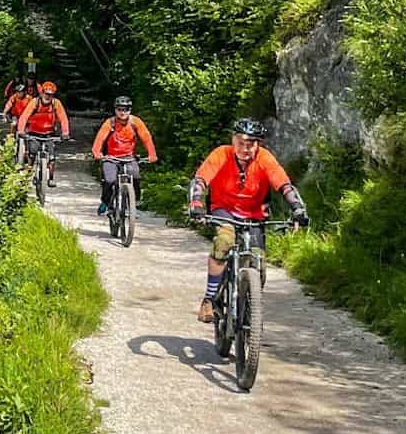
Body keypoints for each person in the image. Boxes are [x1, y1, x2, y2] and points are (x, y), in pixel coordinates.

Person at [186, 118, 309, 324]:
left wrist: (297, 207)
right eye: (241, 142)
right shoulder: (221, 154)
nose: (245, 148)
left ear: (258, 144)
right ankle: (209, 300)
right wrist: (196, 202)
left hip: (254, 214)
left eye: (251, 143)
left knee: (258, 264)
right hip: (223, 209)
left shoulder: (265, 158)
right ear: (233, 140)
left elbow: (284, 185)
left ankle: (250, 307)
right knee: (224, 241)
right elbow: (200, 180)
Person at [91, 96, 157, 215]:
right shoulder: (110, 123)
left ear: (130, 110)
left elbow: (146, 138)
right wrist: (97, 152)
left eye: (125, 109)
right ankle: (105, 202)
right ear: (115, 110)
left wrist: (152, 154)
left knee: (135, 176)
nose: (123, 112)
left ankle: (135, 202)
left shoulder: (135, 122)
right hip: (111, 158)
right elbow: (100, 138)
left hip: (129, 157)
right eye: (120, 109)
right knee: (109, 180)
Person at [15, 81, 70, 180]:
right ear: (42, 92)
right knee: (32, 153)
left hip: (49, 133)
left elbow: (63, 118)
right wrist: (21, 130)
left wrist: (65, 133)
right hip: (34, 132)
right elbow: (24, 116)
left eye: (51, 95)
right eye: (46, 94)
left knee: (52, 157)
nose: (48, 97)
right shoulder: (35, 102)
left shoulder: (56, 103)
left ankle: (51, 178)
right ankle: (28, 174)